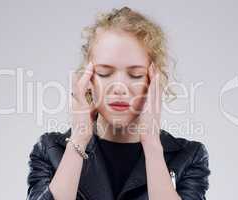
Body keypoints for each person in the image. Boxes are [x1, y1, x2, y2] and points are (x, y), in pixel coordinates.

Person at [26, 6, 211, 200]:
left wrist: (152, 145)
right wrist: (79, 138)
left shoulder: (189, 156)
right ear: (88, 80)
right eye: (105, 73)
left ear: (153, 81)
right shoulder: (50, 151)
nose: (120, 87)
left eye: (135, 75)